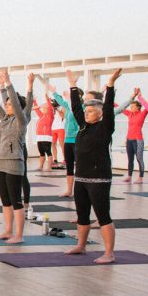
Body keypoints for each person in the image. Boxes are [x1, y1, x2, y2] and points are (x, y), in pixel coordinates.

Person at [64, 68, 120, 264]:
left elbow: (109, 109)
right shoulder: (83, 127)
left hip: (99, 179)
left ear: (99, 113)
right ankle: (81, 245)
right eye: (86, 111)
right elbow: (76, 109)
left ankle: (109, 253)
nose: (86, 114)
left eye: (90, 112)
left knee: (103, 215)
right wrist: (72, 86)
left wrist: (110, 85)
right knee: (82, 214)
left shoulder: (105, 127)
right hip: (81, 177)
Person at [0, 69, 31, 244]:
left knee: (16, 200)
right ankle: (8, 230)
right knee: (5, 201)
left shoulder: (21, 120)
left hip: (14, 163)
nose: (7, 106)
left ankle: (19, 235)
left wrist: (8, 84)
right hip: (1, 163)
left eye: (10, 104)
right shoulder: (4, 118)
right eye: (7, 104)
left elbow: (16, 105)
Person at [48, 85, 79, 197]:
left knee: (79, 167)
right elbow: (62, 103)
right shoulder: (69, 109)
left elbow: (73, 107)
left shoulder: (81, 109)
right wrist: (54, 93)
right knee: (69, 167)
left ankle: (80, 191)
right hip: (68, 140)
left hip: (77, 140)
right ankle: (69, 190)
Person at [119, 88, 148, 183]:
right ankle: (129, 176)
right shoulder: (130, 114)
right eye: (130, 106)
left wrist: (140, 96)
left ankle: (141, 177)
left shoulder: (142, 114)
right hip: (129, 139)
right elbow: (120, 108)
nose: (131, 108)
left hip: (138, 140)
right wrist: (111, 100)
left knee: (139, 158)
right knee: (130, 159)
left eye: (132, 106)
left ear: (138, 107)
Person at [32, 95, 55, 171]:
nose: (43, 109)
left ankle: (49, 167)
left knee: (48, 152)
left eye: (45, 107)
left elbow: (51, 108)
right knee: (41, 153)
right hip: (39, 137)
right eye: (43, 108)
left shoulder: (50, 116)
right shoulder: (41, 116)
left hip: (47, 137)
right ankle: (40, 167)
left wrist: (47, 99)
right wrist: (34, 101)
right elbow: (37, 110)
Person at [51, 96, 66, 166]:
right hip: (53, 128)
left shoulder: (63, 107)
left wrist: (57, 109)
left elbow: (63, 116)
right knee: (53, 144)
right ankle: (55, 159)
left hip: (61, 127)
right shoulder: (54, 107)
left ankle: (65, 159)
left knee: (62, 144)